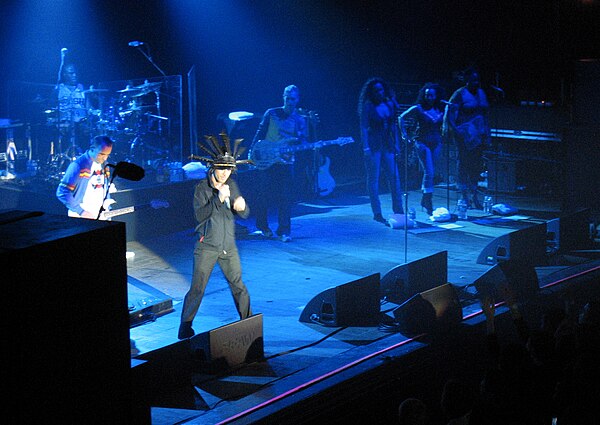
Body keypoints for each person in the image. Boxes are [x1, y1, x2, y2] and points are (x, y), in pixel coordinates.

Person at [178, 133, 253, 340]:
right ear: (213, 167)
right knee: (198, 288)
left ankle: (248, 322)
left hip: (229, 246)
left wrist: (242, 207)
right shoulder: (201, 189)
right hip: (207, 246)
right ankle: (185, 326)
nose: (224, 174)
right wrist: (218, 199)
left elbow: (244, 213)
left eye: (228, 170)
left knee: (238, 285)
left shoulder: (233, 185)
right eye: (221, 169)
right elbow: (200, 216)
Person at [249, 84, 308, 242]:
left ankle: (284, 231)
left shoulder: (300, 120)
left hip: (286, 161)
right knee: (263, 195)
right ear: (283, 98)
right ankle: (263, 226)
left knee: (286, 197)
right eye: (287, 98)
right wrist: (252, 154)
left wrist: (299, 144)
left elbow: (302, 141)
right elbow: (259, 133)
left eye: (293, 99)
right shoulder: (271, 113)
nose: (289, 101)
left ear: (297, 100)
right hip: (267, 159)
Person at [443, 68, 490, 209]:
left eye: (478, 80)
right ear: (467, 81)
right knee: (463, 165)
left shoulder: (481, 93)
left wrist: (487, 133)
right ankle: (464, 196)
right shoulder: (460, 94)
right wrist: (456, 131)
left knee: (476, 166)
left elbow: (485, 114)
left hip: (479, 134)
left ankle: (475, 196)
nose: (476, 83)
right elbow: (449, 114)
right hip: (465, 136)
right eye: (473, 80)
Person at [357, 77, 403, 224]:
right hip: (373, 144)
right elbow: (363, 127)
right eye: (376, 90)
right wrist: (365, 147)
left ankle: (399, 210)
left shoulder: (389, 103)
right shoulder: (368, 106)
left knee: (394, 177)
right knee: (374, 179)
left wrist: (397, 143)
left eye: (381, 89)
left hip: (387, 144)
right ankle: (377, 212)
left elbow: (394, 125)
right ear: (372, 92)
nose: (379, 92)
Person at [399, 83, 445, 216]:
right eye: (427, 95)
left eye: (431, 95)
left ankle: (426, 199)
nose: (429, 97)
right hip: (422, 142)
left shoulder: (440, 109)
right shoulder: (418, 108)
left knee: (432, 171)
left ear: (436, 96)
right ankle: (427, 199)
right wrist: (404, 135)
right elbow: (401, 117)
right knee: (429, 171)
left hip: (436, 142)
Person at [56, 135, 113, 219]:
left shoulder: (104, 164)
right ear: (92, 149)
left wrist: (108, 207)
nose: (105, 158)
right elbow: (62, 192)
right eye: (101, 154)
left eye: (107, 155)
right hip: (82, 217)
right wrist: (81, 211)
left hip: (100, 215)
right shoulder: (78, 165)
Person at [55, 62, 90, 153]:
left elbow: (88, 108)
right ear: (64, 75)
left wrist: (96, 112)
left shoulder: (81, 88)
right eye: (71, 73)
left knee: (86, 130)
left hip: (81, 123)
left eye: (75, 73)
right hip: (64, 123)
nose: (75, 75)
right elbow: (52, 109)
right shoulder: (58, 89)